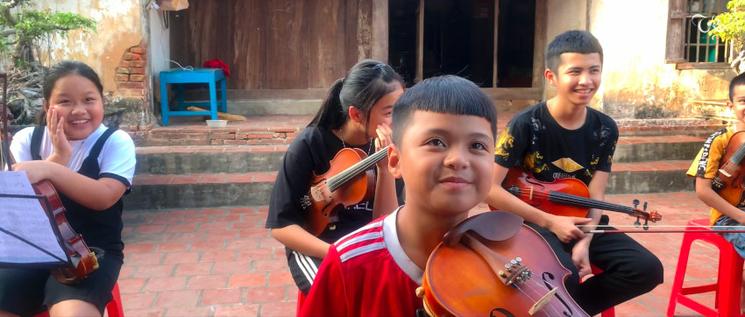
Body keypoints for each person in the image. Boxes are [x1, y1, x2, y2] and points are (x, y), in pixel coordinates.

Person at [485, 30, 663, 315]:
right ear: (552, 77)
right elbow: (489, 188)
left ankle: (567, 309)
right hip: (529, 225)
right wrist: (550, 221)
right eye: (575, 71)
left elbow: (595, 194)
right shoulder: (525, 124)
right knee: (563, 271)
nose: (586, 80)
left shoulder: (605, 128)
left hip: (582, 221)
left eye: (594, 70)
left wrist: (586, 241)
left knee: (646, 269)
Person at [299, 75, 497, 316]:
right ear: (394, 160)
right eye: (436, 141)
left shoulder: (508, 257)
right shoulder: (348, 264)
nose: (458, 160)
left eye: (477, 145)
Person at [0, 61, 136, 317]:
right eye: (65, 101)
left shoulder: (115, 141)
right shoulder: (27, 139)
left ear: (102, 103)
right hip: (31, 252)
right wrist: (58, 157)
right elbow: (16, 202)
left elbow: (104, 196)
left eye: (88, 99)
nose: (78, 110)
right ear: (46, 106)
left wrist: (51, 170)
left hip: (91, 254)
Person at [265, 60, 404, 296]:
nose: (400, 121)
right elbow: (282, 226)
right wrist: (337, 253)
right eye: (391, 113)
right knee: (335, 292)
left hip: (364, 243)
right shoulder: (310, 144)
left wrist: (384, 169)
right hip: (316, 242)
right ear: (356, 114)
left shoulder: (389, 148)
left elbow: (386, 224)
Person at [688, 71, 745, 259]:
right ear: (731, 105)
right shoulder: (719, 140)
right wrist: (741, 217)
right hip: (729, 217)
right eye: (743, 101)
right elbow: (703, 190)